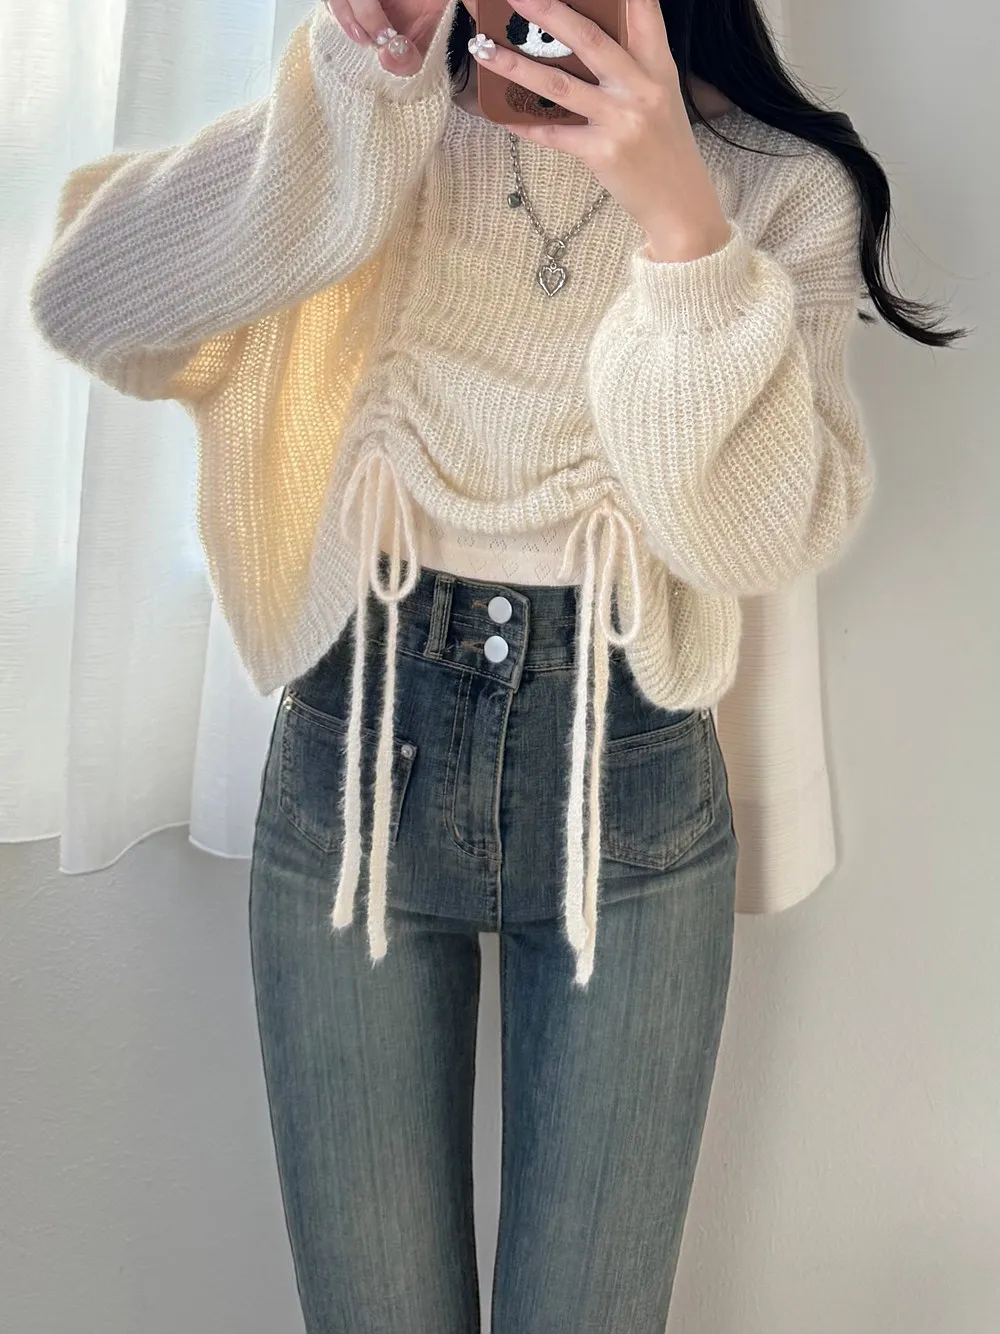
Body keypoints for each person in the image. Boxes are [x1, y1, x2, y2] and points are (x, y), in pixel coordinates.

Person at [28, 0, 964, 1329]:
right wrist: (358, 88)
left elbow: (755, 537)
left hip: (627, 792)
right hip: (358, 757)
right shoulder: (379, 121)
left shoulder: (775, 189)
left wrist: (682, 233)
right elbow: (89, 302)